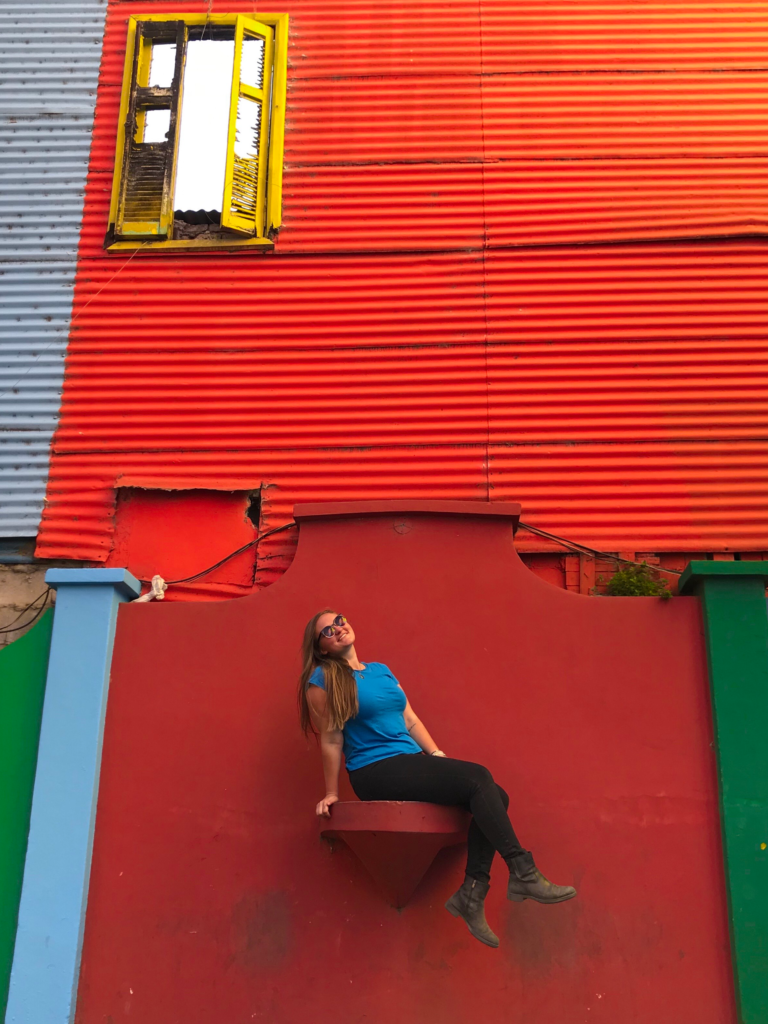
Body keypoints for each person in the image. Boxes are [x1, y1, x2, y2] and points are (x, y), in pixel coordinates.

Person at [298, 609, 576, 948]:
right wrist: (331, 792)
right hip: (374, 770)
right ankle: (523, 872)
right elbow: (331, 739)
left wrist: (437, 756)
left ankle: (472, 893)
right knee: (479, 777)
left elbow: (410, 720)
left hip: (408, 760)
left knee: (495, 795)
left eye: (339, 620)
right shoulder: (322, 680)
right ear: (322, 648)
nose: (337, 629)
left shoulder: (381, 672)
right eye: (327, 631)